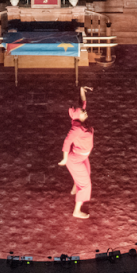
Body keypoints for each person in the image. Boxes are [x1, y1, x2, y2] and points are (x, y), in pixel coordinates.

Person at [58, 86, 94, 219]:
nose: (85, 112)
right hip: (75, 159)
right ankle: (77, 211)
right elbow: (67, 142)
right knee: (86, 185)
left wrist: (81, 90)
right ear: (79, 116)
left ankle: (74, 188)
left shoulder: (81, 120)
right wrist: (64, 158)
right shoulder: (76, 129)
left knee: (86, 174)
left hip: (82, 156)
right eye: (83, 112)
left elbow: (82, 104)